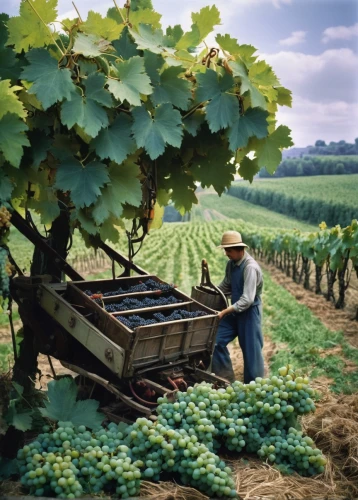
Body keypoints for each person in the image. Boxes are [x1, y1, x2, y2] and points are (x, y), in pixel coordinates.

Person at [211, 230, 264, 384]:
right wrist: (211, 292)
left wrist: (224, 311)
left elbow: (247, 300)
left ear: (241, 249)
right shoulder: (231, 264)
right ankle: (225, 380)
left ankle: (255, 388)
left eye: (229, 250)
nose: (226, 253)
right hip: (235, 312)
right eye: (225, 250)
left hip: (249, 313)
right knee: (215, 340)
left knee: (251, 353)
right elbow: (226, 285)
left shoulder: (250, 268)